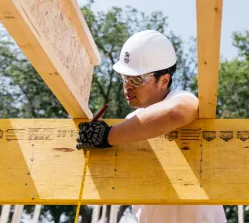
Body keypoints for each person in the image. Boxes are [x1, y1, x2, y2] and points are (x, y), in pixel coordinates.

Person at [76, 30, 227, 223]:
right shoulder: (132, 121)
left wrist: (108, 135)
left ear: (164, 80)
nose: (128, 86)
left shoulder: (182, 99)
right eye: (125, 77)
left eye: (137, 79)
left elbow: (177, 113)